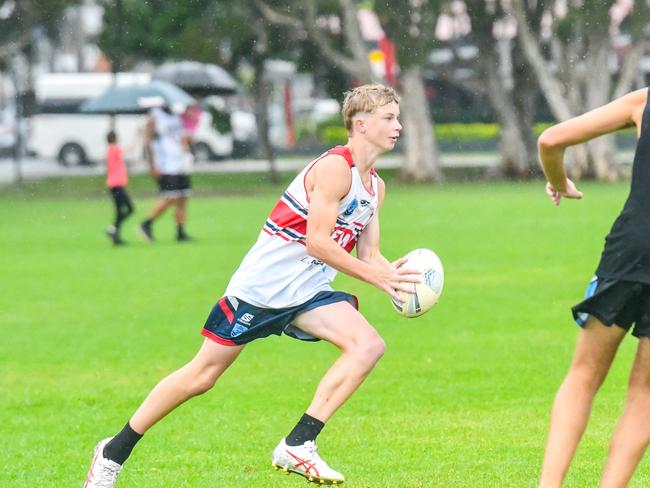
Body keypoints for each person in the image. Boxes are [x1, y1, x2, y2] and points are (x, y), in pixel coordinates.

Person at [83, 84, 420, 487]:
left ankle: (299, 444)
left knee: (368, 346)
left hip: (308, 290)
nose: (398, 126)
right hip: (263, 288)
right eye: (389, 118)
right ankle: (113, 451)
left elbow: (369, 255)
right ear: (360, 124)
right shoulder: (333, 169)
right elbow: (318, 241)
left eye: (397, 118)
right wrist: (379, 277)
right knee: (201, 377)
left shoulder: (375, 186)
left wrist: (396, 277)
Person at [537, 87, 650, 488]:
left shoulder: (644, 101)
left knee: (584, 374)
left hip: (632, 248)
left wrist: (559, 180)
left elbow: (550, 140)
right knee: (646, 394)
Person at [140, 103, 192, 242]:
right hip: (165, 165)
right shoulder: (155, 116)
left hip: (180, 163)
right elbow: (147, 140)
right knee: (170, 198)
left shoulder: (177, 115)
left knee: (183, 198)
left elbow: (182, 138)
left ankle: (180, 232)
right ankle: (146, 223)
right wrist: (151, 164)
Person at [104, 130, 134, 246]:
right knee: (130, 209)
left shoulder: (108, 151)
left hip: (113, 184)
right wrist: (138, 135)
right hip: (117, 185)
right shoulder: (115, 149)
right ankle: (113, 229)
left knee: (119, 211)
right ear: (116, 138)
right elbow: (130, 149)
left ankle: (116, 237)